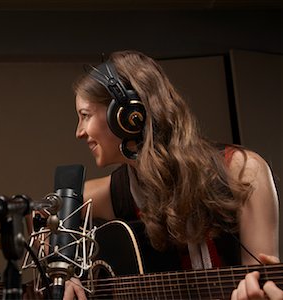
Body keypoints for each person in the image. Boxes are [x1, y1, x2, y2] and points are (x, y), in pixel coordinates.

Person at [66, 50, 281, 299]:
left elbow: (260, 279)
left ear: (125, 115)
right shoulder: (114, 192)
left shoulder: (243, 172)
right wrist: (66, 272)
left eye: (85, 116)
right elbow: (41, 219)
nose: (79, 132)